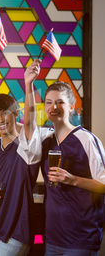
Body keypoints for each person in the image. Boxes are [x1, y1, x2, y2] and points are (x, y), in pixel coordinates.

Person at [0, 59, 42, 255]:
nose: (0, 120)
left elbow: (29, 123)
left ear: (16, 114)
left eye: (6, 114)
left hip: (17, 229)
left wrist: (28, 85)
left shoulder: (25, 146)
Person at [36, 81, 105, 255]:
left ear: (72, 107)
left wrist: (72, 180)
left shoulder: (86, 139)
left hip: (81, 239)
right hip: (52, 237)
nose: (54, 107)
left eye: (60, 102)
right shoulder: (46, 139)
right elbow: (15, 128)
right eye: (49, 102)